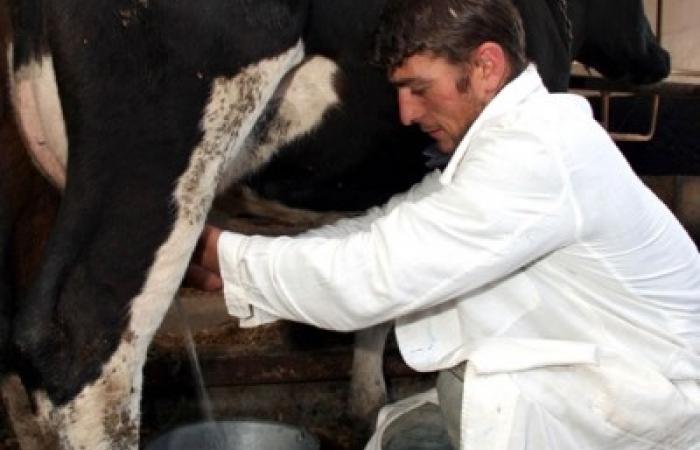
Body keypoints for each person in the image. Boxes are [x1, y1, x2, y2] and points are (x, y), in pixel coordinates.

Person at [188, 0, 700, 448]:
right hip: (591, 384)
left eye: (419, 88)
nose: (406, 113)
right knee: (404, 429)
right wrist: (232, 261)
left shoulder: (538, 154)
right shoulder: (508, 141)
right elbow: (385, 226)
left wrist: (220, 254)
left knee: (435, 418)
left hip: (645, 411)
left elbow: (376, 273)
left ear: (486, 67)